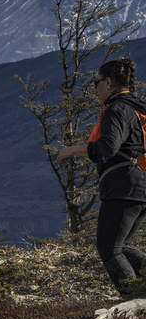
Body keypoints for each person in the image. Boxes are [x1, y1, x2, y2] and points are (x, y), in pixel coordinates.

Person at [56, 57, 146, 295]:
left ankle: (132, 300)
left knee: (109, 249)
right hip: (141, 186)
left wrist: (71, 150)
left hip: (124, 186)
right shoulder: (138, 108)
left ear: (108, 82)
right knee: (120, 246)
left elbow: (107, 148)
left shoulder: (117, 109)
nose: (95, 89)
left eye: (95, 83)